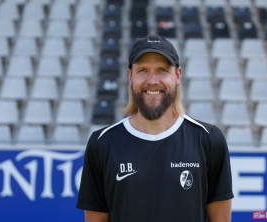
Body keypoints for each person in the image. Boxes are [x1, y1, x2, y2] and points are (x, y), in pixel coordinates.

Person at [77, 35, 234, 222]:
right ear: (130, 76)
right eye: (143, 70)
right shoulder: (102, 143)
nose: (152, 80)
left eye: (162, 70)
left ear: (177, 76)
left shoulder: (208, 140)